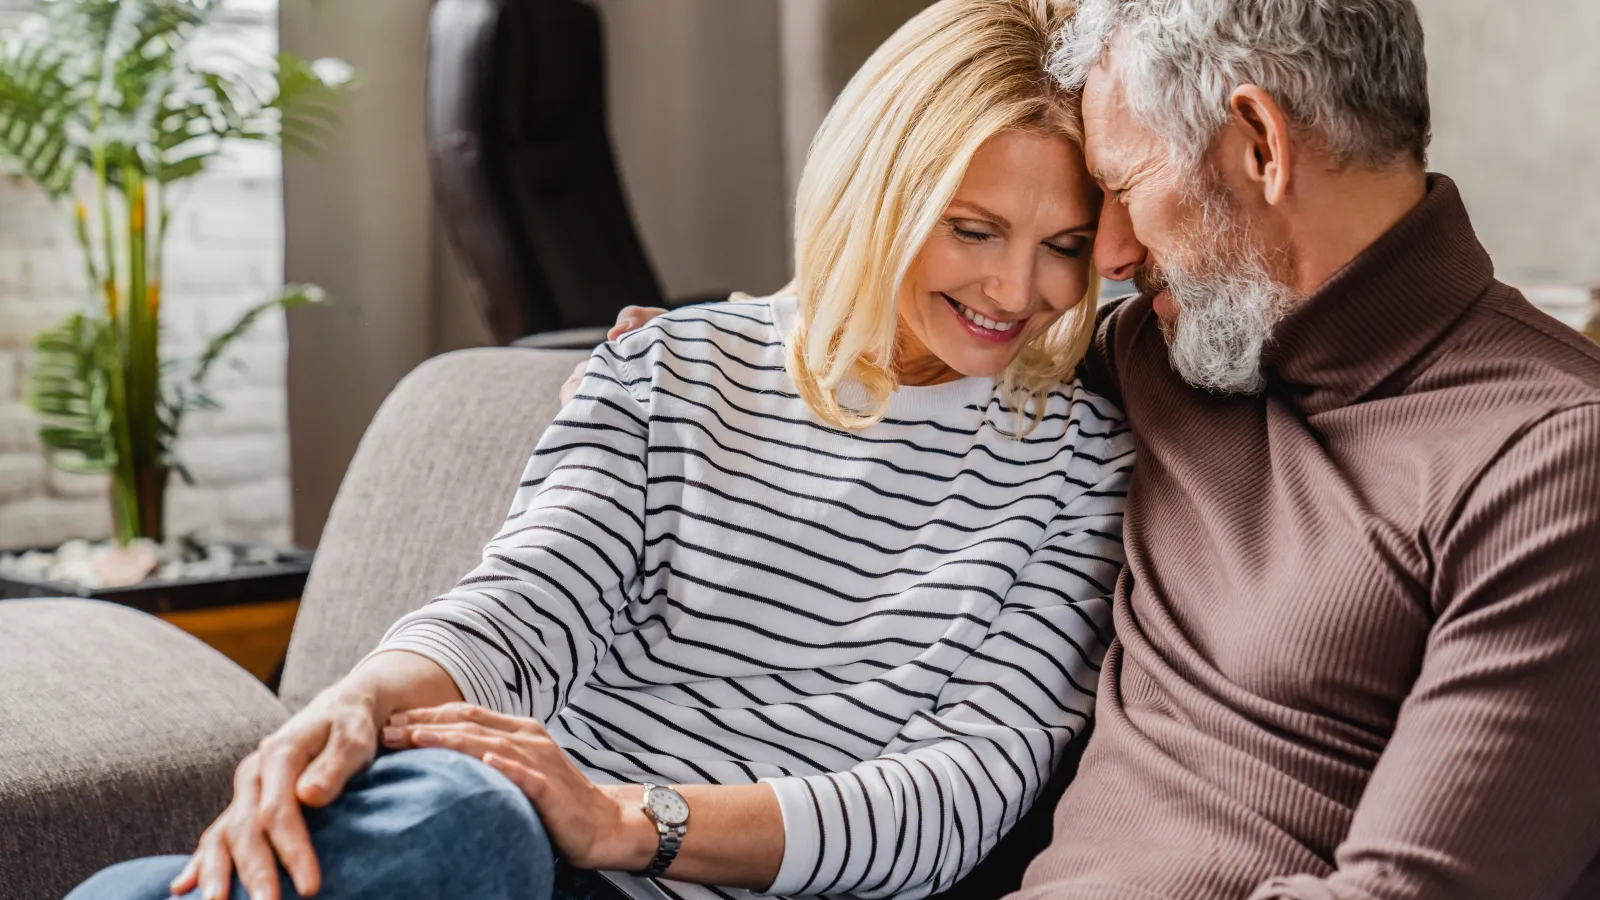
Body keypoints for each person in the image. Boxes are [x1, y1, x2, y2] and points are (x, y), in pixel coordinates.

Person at [67, 2, 1134, 900]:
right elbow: (527, 601)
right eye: (973, 228)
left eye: (1063, 246)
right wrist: (358, 700)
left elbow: (956, 799)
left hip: (656, 866)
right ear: (877, 190)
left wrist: (628, 820)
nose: (1014, 290)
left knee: (452, 817)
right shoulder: (667, 367)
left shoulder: (1082, 472)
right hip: (502, 846)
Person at [600, 1, 1600, 898]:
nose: (1110, 254)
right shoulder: (1161, 350)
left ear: (1258, 142)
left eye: (1123, 185)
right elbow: (923, 332)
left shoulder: (1553, 461)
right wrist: (715, 348)